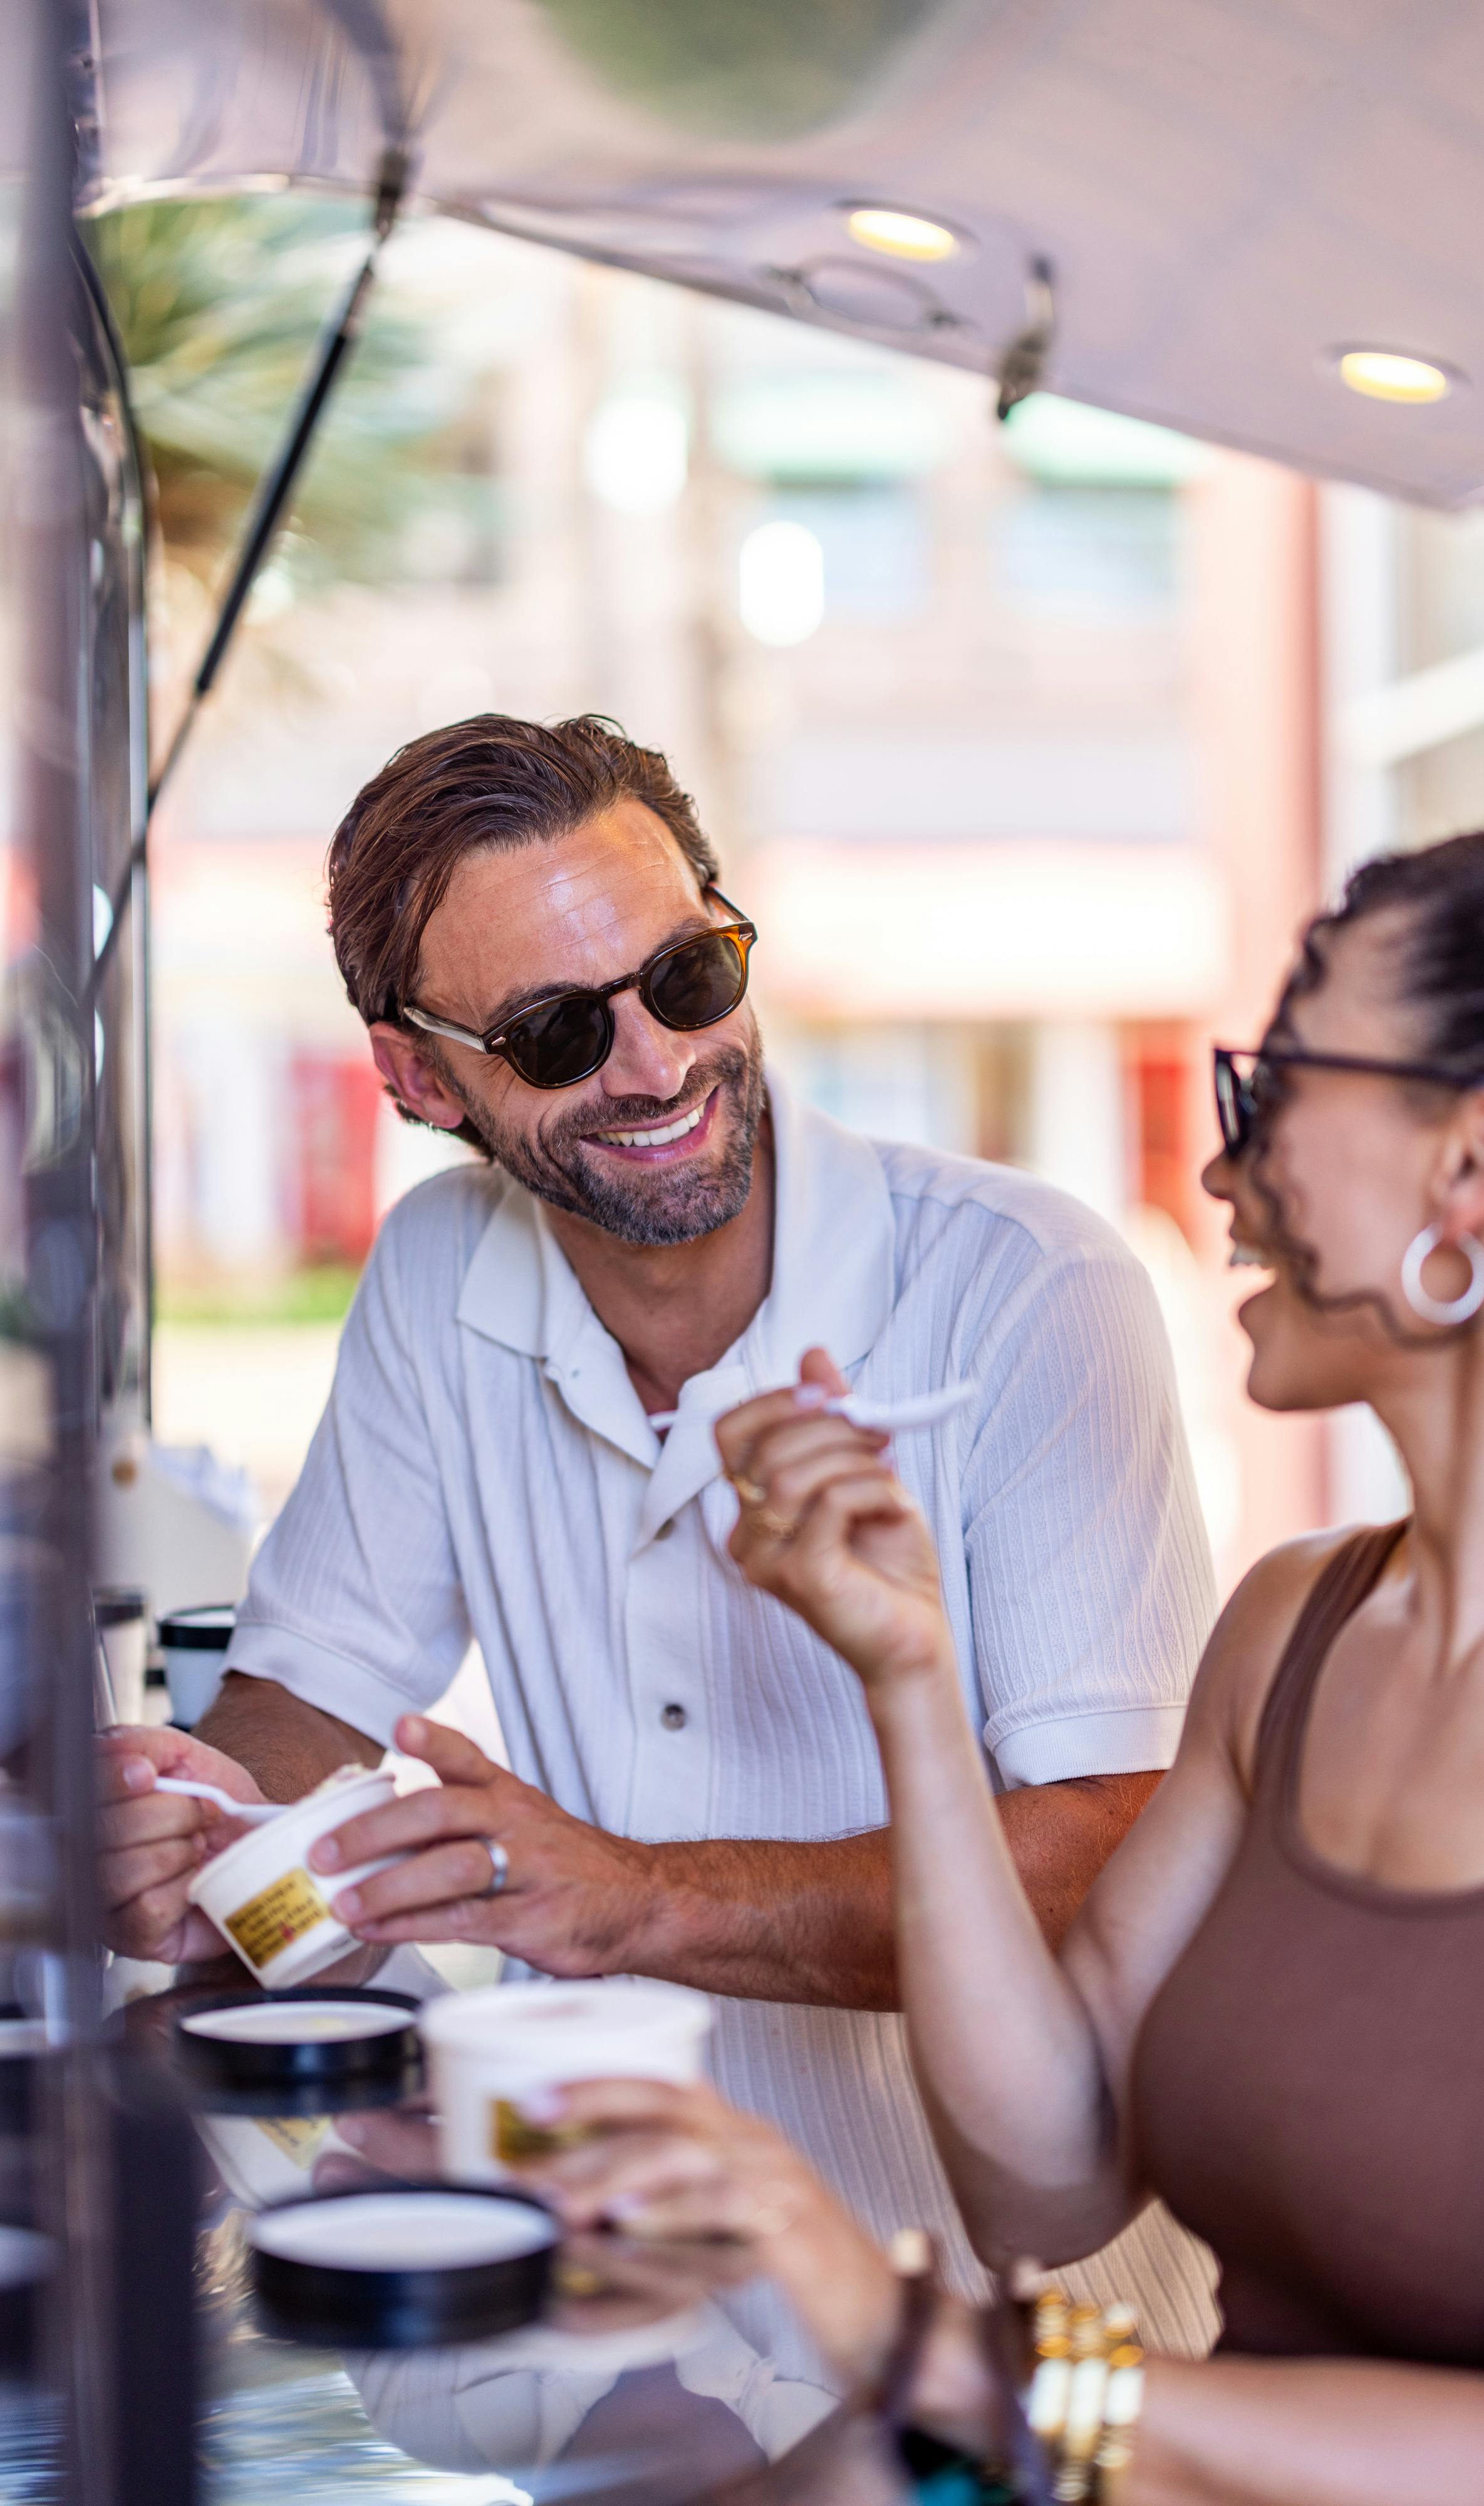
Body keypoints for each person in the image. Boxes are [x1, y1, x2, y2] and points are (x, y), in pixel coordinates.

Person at [97, 712, 1218, 2345]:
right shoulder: (436, 1276)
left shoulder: (1030, 1288)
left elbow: (1110, 1864)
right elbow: (307, 1697)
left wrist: (621, 1895)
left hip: (1009, 2325)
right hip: (623, 2312)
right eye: (555, 1032)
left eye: (688, 977)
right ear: (419, 1078)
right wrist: (224, 1851)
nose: (657, 1063)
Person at [698, 812, 1484, 2500]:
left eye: (1272, 1088)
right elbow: (1050, 2180)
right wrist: (911, 1685)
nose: (1222, 1176)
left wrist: (930, 2350)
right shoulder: (1294, 1629)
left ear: (1474, 1163)